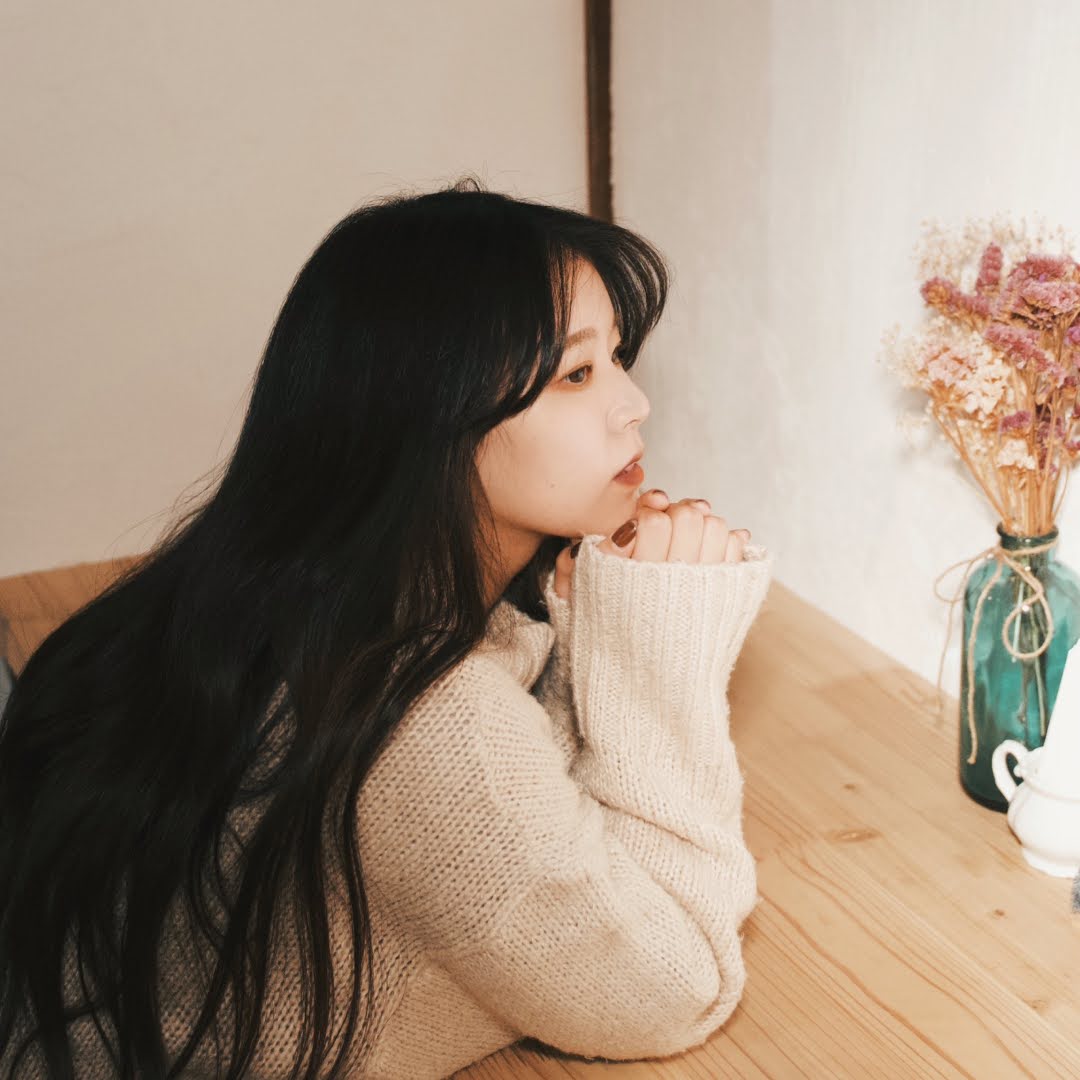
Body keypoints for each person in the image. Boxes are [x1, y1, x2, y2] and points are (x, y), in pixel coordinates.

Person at [0, 176, 773, 1079]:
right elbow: (673, 990)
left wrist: (589, 639)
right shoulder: (423, 717)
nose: (633, 403)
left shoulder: (289, 602)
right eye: (577, 372)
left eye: (617, 356)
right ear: (434, 420)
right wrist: (658, 655)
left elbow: (529, 823)